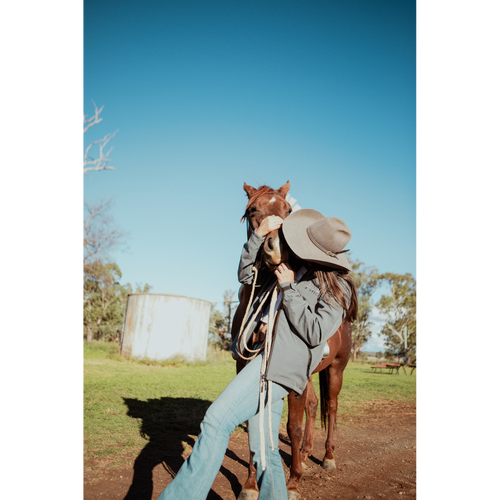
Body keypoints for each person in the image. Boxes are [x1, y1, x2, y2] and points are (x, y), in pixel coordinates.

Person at [156, 209, 358, 500]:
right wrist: (258, 235)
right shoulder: (289, 265)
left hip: (279, 367)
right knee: (264, 448)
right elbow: (245, 275)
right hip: (264, 360)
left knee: (216, 421)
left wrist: (288, 287)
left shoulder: (336, 288)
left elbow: (315, 332)